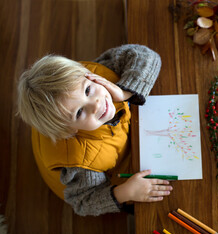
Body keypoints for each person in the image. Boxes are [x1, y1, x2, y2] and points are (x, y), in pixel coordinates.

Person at [17, 44, 173, 216]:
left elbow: (146, 55)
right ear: (70, 132)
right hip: (81, 177)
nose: (96, 104)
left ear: (88, 76)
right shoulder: (83, 163)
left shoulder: (96, 75)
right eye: (79, 112)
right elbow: (83, 202)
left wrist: (124, 92)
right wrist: (126, 192)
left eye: (88, 90)